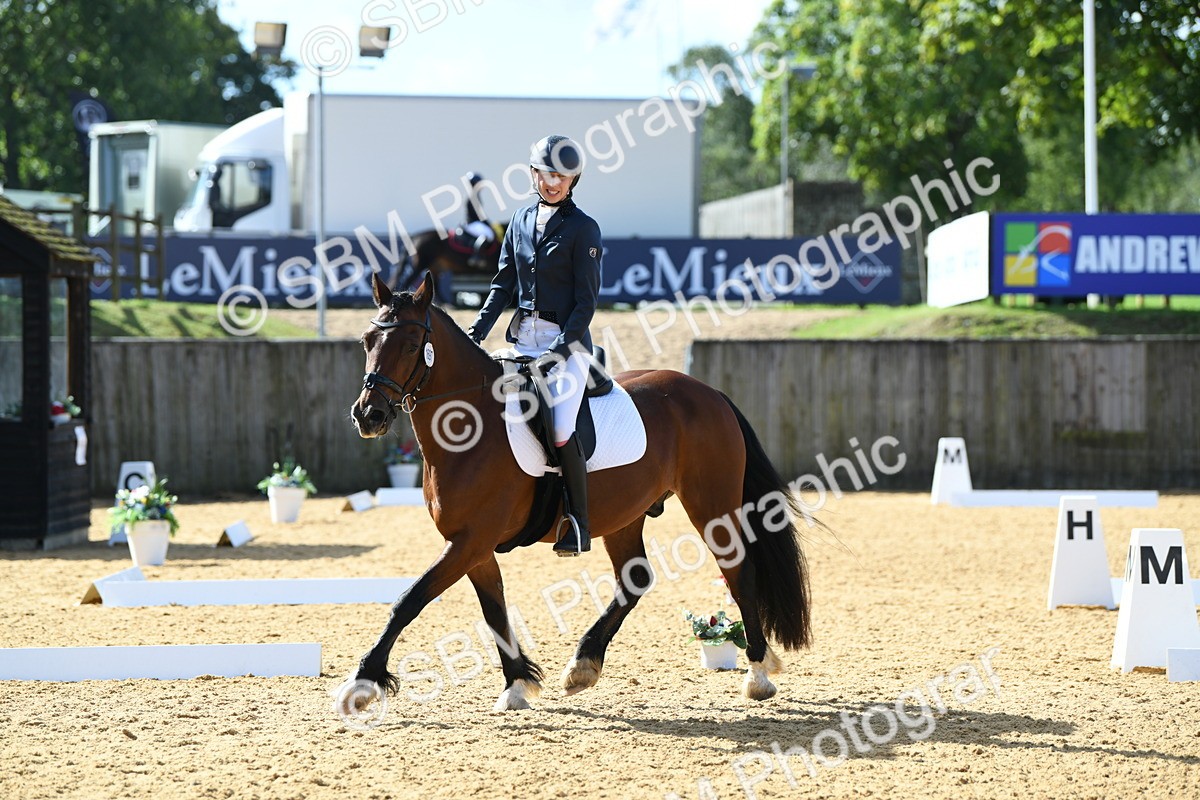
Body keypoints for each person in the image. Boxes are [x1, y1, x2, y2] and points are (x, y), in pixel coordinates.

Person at [466, 135, 602, 556]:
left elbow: (586, 303)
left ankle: (578, 522)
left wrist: (557, 353)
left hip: (569, 346)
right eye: (546, 174)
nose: (553, 183)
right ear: (533, 174)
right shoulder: (520, 221)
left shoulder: (584, 229)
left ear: (573, 179)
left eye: (561, 176)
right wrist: (474, 333)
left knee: (560, 428)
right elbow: (502, 285)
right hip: (521, 341)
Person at [461, 172, 495, 268]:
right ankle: (476, 256)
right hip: (472, 223)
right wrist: (488, 224)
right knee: (488, 234)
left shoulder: (474, 195)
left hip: (474, 222)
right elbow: (479, 216)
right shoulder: (473, 196)